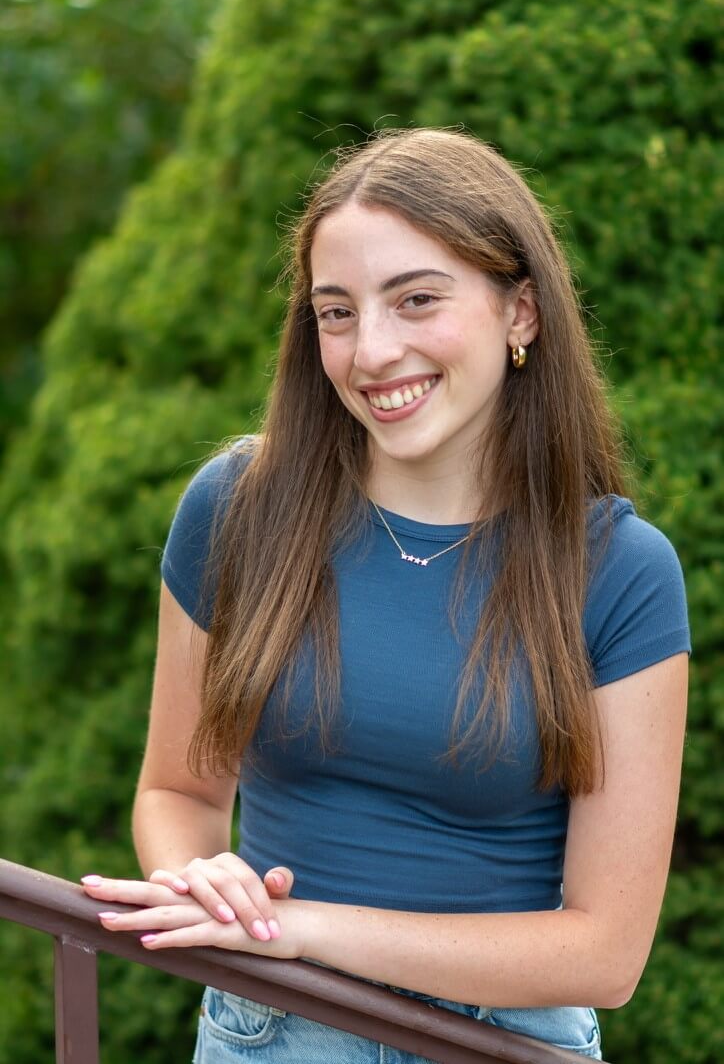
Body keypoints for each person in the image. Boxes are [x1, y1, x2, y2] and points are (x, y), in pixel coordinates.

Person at [81, 128, 690, 1062]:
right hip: (269, 1034)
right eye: (336, 312)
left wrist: (303, 931)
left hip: (502, 1044)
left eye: (416, 300)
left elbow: (604, 954)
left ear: (521, 311)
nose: (371, 351)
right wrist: (206, 884)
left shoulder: (619, 570)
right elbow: (177, 791)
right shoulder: (240, 509)